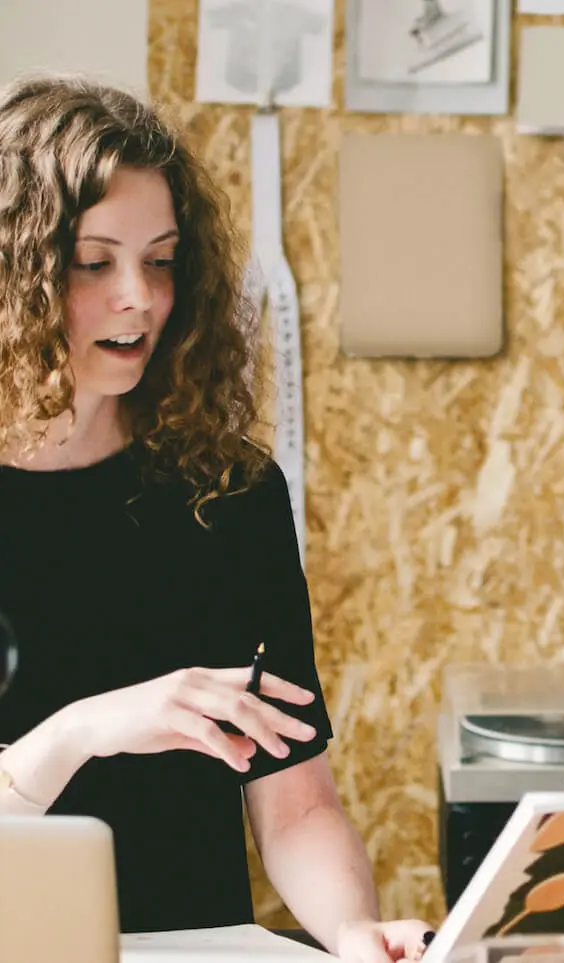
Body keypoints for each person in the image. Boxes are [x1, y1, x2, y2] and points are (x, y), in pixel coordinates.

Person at [0, 75, 429, 962]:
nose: (141, 297)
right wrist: (86, 728)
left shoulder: (229, 495)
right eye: (95, 260)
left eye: (160, 259)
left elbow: (298, 802)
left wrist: (350, 932)